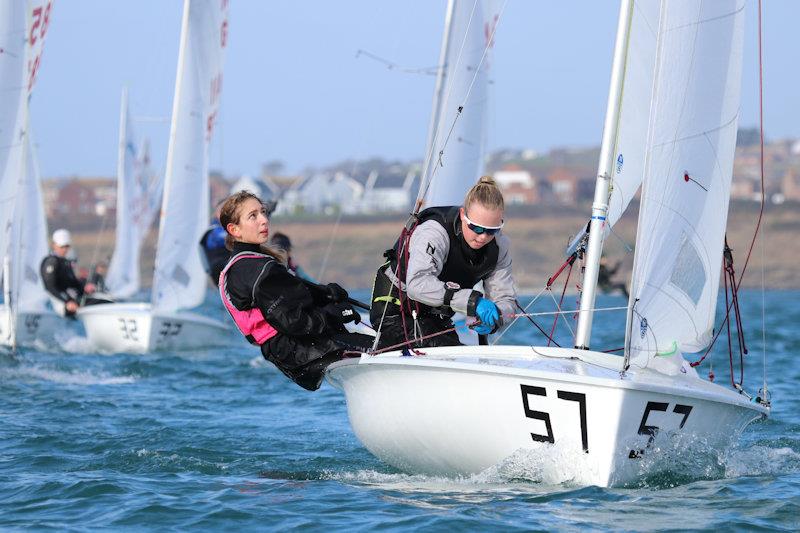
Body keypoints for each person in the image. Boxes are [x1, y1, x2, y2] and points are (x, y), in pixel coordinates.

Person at [218, 190, 373, 391]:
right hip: (301, 349)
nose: (264, 220)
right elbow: (294, 322)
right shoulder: (255, 269)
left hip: (288, 352)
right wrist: (334, 315)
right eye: (253, 216)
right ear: (234, 229)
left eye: (263, 212)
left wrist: (327, 293)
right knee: (389, 347)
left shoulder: (242, 265)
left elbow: (295, 292)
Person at [370, 175, 517, 349]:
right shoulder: (434, 233)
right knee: (448, 353)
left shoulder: (500, 246)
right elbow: (418, 285)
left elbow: (506, 299)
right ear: (463, 215)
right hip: (395, 309)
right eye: (476, 228)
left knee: (456, 353)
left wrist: (496, 317)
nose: (483, 237)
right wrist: (473, 302)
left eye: (491, 230)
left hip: (436, 315)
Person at [40, 229, 96, 317]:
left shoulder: (66, 262)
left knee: (102, 302)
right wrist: (67, 302)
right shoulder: (51, 262)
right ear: (54, 245)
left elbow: (73, 283)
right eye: (62, 246)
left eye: (67, 246)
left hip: (74, 300)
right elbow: (50, 286)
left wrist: (84, 288)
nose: (65, 249)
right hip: (62, 305)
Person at [199, 201, 231, 286]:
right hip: (221, 273)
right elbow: (223, 238)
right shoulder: (213, 231)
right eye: (223, 210)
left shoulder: (230, 230)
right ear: (217, 212)